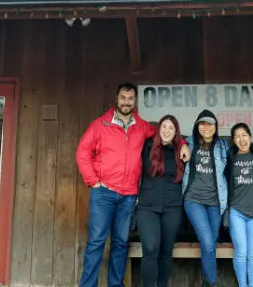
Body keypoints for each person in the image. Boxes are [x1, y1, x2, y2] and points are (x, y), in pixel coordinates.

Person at [75, 83, 190, 287]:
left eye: (130, 98)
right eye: (123, 97)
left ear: (134, 101)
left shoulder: (141, 126)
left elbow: (165, 133)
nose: (126, 102)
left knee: (121, 243)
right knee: (96, 242)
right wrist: (93, 181)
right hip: (104, 193)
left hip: (128, 195)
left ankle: (115, 284)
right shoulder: (101, 124)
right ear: (116, 98)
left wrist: (183, 144)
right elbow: (83, 152)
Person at [136, 115, 185, 287]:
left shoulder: (181, 151)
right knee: (150, 249)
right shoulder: (147, 146)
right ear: (158, 129)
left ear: (176, 132)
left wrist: (185, 145)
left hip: (173, 208)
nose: (167, 130)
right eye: (164, 126)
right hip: (147, 207)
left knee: (166, 251)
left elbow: (193, 140)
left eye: (171, 128)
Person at [182, 109, 229, 287]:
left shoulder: (223, 146)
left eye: (210, 123)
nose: (206, 127)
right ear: (197, 126)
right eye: (202, 123)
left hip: (216, 202)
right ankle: (212, 283)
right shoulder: (189, 142)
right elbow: (173, 138)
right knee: (208, 242)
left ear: (216, 127)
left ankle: (207, 281)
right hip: (194, 200)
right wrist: (183, 143)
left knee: (212, 242)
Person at [226, 123, 253, 287]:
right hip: (237, 211)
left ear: (250, 136)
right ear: (233, 140)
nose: (241, 139)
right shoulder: (230, 158)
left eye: (244, 135)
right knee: (241, 253)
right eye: (237, 136)